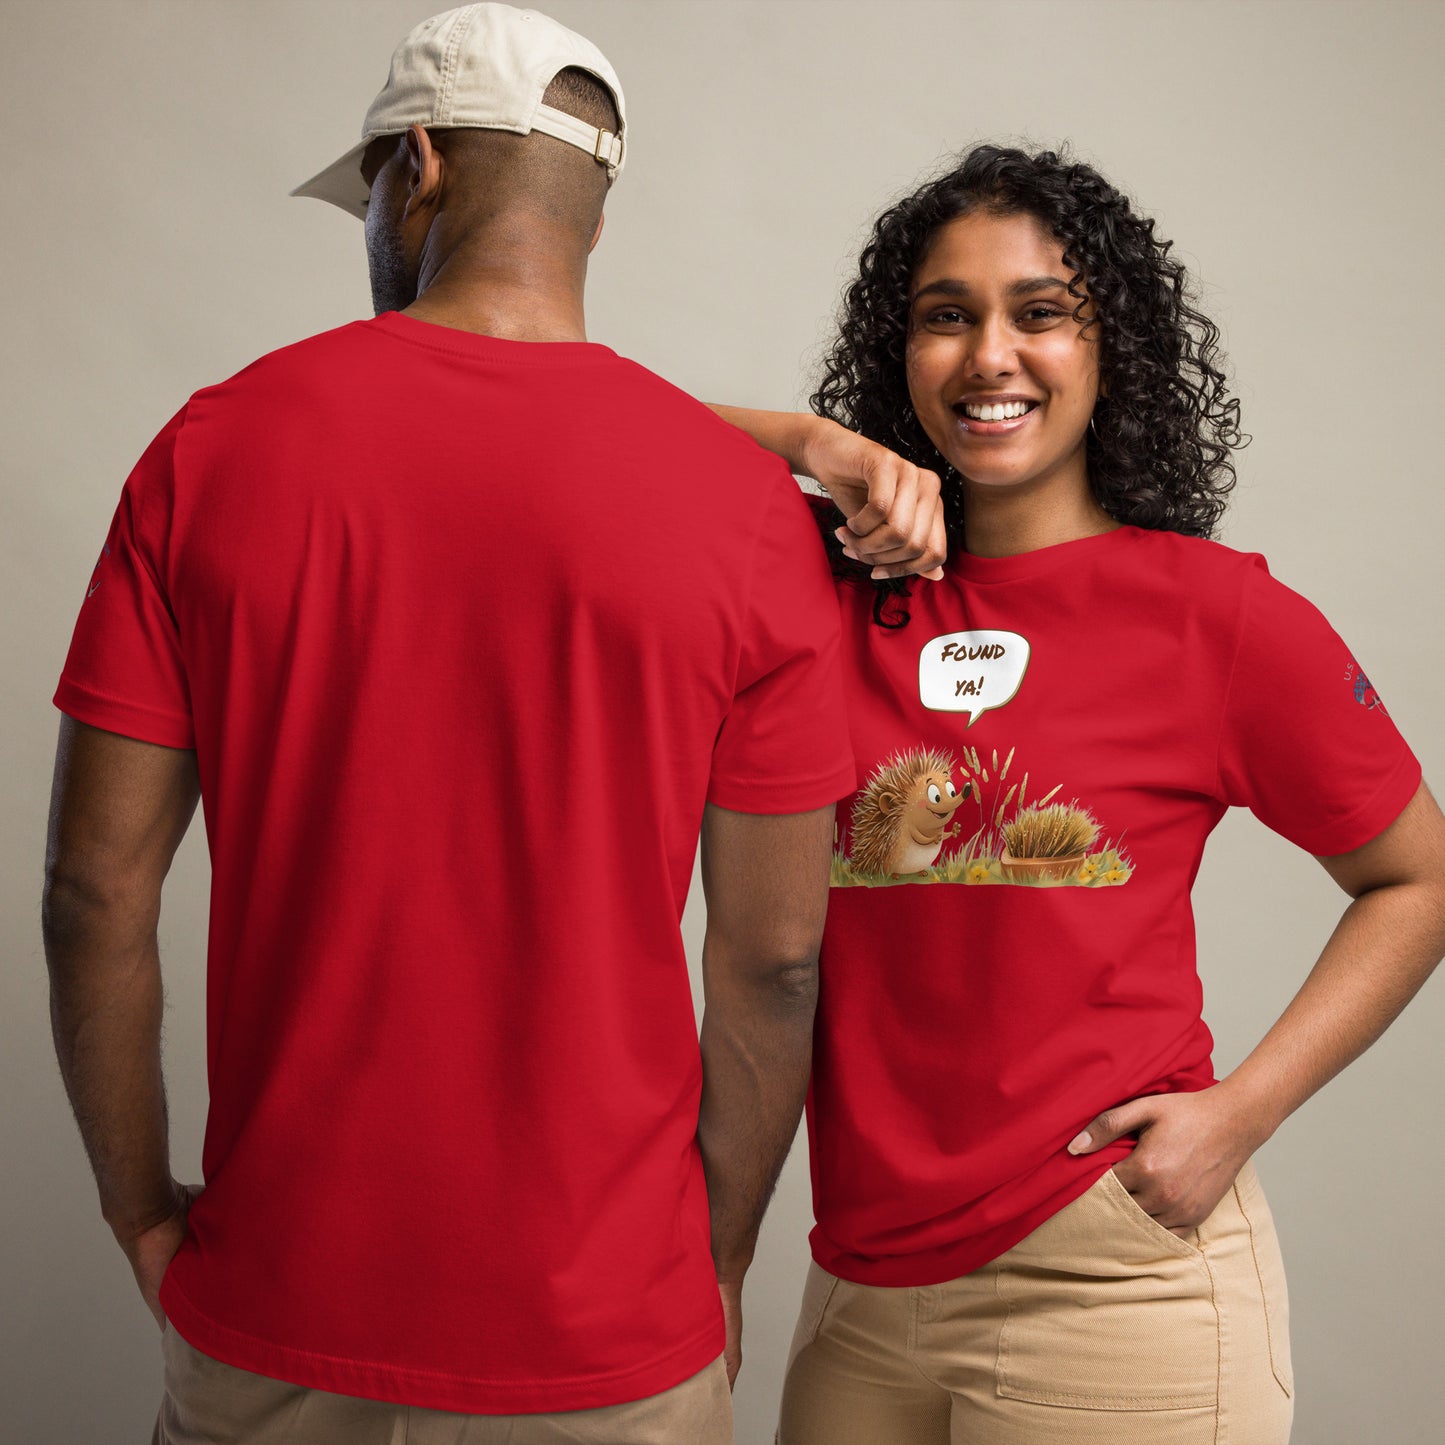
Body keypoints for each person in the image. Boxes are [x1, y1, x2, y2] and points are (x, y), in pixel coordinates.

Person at [41, 6, 855, 1443]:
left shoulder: (211, 451)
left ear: (411, 170)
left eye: (364, 190)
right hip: (607, 1336)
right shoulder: (742, 517)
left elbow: (92, 889)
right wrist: (710, 1264)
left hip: (278, 1302)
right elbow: (773, 962)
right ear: (595, 211)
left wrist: (140, 1215)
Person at [712, 143, 1445, 1444]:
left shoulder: (1214, 618)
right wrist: (811, 443)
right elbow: (585, 433)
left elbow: (1416, 877)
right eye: (947, 316)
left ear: (1113, 349)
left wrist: (1244, 1108)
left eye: (1039, 312)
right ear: (900, 349)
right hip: (859, 1285)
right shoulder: (819, 602)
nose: (990, 354)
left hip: (1112, 1276)